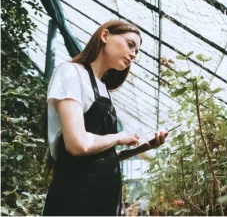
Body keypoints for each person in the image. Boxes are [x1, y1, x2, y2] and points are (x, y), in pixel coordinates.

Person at [41, 20, 168, 217]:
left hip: (104, 199)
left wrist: (143, 147)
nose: (134, 54)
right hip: (75, 198)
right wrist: (119, 137)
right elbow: (78, 145)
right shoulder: (71, 72)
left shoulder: (104, 90)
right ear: (105, 35)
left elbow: (102, 157)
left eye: (137, 51)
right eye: (130, 44)